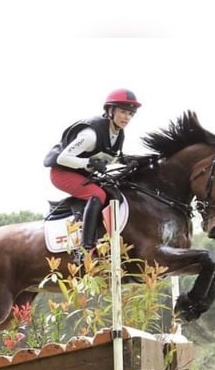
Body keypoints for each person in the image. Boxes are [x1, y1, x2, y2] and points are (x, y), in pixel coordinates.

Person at [43, 88, 141, 264]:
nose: (127, 117)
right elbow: (63, 158)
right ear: (110, 111)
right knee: (97, 195)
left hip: (82, 174)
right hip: (62, 172)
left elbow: (105, 159)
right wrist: (88, 163)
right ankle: (85, 250)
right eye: (123, 112)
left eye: (130, 114)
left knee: (113, 192)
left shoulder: (117, 134)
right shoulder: (91, 134)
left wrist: (127, 161)